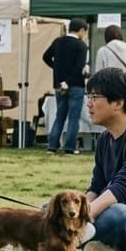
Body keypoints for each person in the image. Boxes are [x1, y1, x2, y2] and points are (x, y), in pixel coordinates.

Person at [80, 68, 126, 251]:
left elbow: (122, 188)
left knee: (115, 216)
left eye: (94, 97)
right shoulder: (104, 138)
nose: (88, 104)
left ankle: (75, 242)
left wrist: (83, 216)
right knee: (52, 208)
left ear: (118, 102)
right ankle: (101, 246)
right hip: (115, 211)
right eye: (88, 96)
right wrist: (76, 211)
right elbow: (97, 186)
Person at [44, 18, 90, 155]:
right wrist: (68, 81)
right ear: (82, 30)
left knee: (60, 116)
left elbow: (45, 57)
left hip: (58, 84)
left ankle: (52, 146)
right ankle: (69, 147)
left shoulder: (58, 42)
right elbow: (79, 67)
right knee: (73, 117)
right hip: (75, 85)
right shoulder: (81, 46)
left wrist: (56, 69)